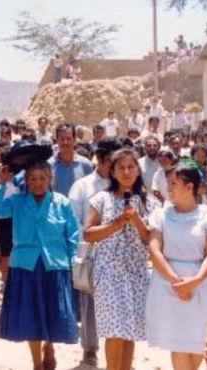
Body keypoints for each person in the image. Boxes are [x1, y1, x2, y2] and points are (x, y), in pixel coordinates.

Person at [0, 161, 79, 370]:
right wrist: (3, 184)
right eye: (33, 179)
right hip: (25, 265)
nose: (38, 183)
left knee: (53, 311)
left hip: (55, 264)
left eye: (42, 178)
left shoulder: (62, 202)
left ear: (50, 180)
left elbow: (73, 235)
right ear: (27, 182)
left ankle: (49, 346)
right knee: (30, 314)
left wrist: (72, 262)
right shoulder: (17, 200)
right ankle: (36, 362)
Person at [84, 148, 160, 370]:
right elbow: (88, 234)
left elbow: (150, 239)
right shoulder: (101, 199)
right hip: (109, 272)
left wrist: (135, 218)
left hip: (136, 273)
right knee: (115, 330)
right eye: (121, 167)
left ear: (138, 170)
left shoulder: (150, 202)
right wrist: (117, 223)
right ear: (113, 172)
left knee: (130, 330)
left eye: (131, 167)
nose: (126, 172)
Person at [146, 164, 207, 370]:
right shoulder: (161, 216)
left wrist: (194, 281)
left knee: (198, 341)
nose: (168, 188)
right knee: (177, 343)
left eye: (174, 184)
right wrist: (175, 281)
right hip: (167, 283)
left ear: (189, 187)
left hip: (200, 284)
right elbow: (154, 249)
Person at [69, 138, 123, 366]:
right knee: (89, 305)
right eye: (111, 162)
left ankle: (120, 350)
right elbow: (73, 221)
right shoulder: (82, 187)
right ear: (100, 161)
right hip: (91, 253)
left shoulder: (123, 186)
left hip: (120, 255)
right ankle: (90, 349)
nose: (116, 168)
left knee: (119, 303)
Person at [48, 123, 93, 196]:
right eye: (62, 139)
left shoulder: (86, 165)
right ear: (57, 140)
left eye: (68, 139)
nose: (65, 142)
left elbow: (90, 193)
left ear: (74, 139)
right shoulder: (48, 165)